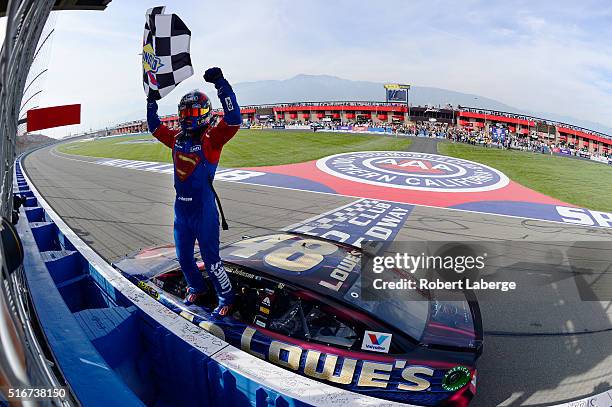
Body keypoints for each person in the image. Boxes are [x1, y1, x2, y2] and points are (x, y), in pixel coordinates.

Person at [145, 67, 240, 317]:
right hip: (182, 212)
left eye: (195, 111)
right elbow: (155, 127)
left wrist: (221, 83)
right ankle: (196, 287)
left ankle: (226, 297)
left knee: (212, 261)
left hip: (204, 211)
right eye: (186, 111)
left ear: (206, 114)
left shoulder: (212, 139)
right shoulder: (176, 138)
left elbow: (234, 119)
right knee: (184, 258)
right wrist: (151, 102)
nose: (190, 116)